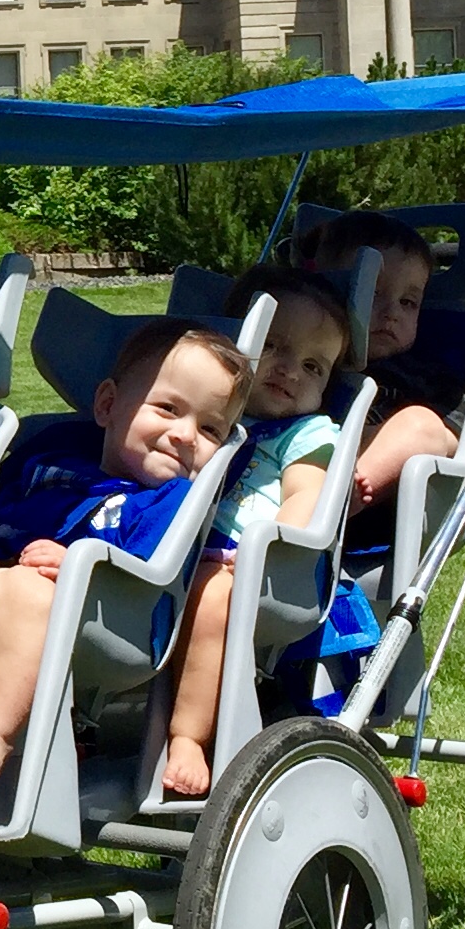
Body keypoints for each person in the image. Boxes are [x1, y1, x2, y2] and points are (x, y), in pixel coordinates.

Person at [0, 320, 248, 801]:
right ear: (107, 405)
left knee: (26, 591)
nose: (185, 435)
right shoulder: (54, 459)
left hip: (106, 621)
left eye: (210, 428)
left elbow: (148, 574)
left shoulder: (171, 501)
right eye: (167, 408)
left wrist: (85, 566)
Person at [150, 266, 360, 797]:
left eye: (313, 365)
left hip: (260, 571)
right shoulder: (207, 418)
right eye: (273, 346)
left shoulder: (308, 432)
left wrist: (265, 549)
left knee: (212, 596)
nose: (290, 370)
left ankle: (189, 736)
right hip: (178, 551)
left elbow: (307, 497)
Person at [292, 212, 459, 543]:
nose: (392, 312)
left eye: (408, 302)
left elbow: (454, 440)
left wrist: (371, 439)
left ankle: (334, 505)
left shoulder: (423, 372)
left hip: (370, 500)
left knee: (421, 424)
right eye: (373, 292)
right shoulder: (304, 357)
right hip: (295, 470)